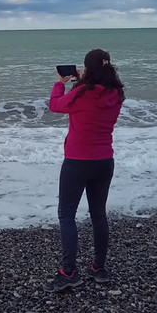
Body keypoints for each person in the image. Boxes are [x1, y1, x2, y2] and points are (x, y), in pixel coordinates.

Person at [46, 49, 124, 291]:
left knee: (67, 215)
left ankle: (68, 272)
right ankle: (98, 268)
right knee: (98, 213)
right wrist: (82, 81)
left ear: (88, 68)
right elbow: (94, 100)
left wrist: (61, 83)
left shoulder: (81, 93)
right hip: (104, 161)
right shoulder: (116, 93)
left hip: (77, 161)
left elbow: (55, 106)